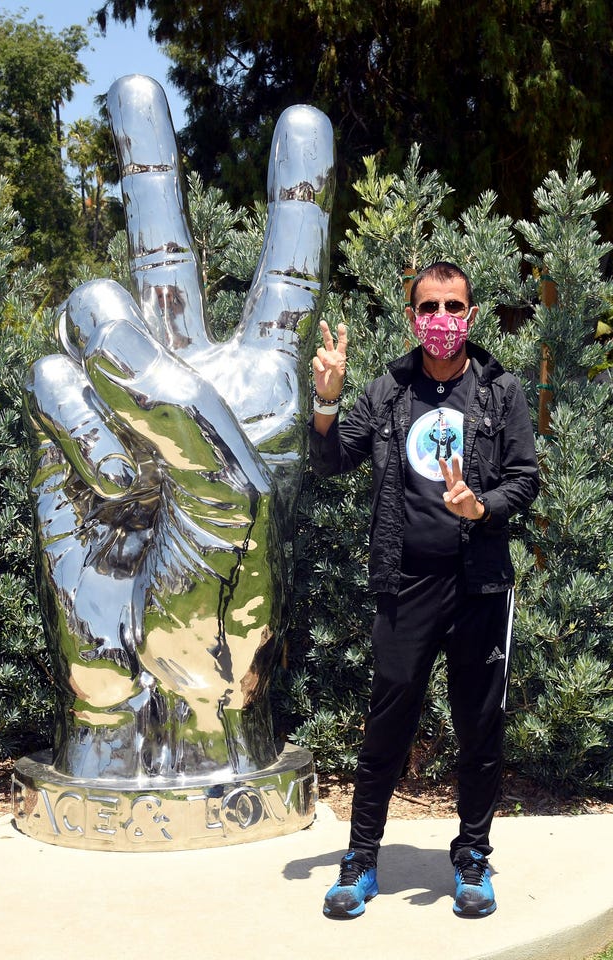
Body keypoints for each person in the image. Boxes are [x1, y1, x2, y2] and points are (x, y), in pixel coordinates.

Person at [309, 261, 540, 919]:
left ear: (471, 314)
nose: (442, 319)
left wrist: (481, 506)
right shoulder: (389, 391)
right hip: (406, 582)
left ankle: (472, 859)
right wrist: (326, 401)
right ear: (413, 317)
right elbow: (330, 460)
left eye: (453, 306)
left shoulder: (500, 391)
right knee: (387, 723)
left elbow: (525, 477)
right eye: (429, 307)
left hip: (479, 584)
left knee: (479, 727)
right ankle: (360, 860)